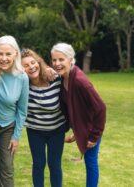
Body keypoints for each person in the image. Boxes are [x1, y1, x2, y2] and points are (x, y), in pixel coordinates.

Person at [51, 43, 106, 187]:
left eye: (61, 59)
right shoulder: (65, 77)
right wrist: (76, 132)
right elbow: (76, 107)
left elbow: (101, 108)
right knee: (90, 161)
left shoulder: (81, 82)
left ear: (70, 59)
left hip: (92, 128)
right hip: (84, 126)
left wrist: (94, 136)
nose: (57, 63)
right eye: (54, 60)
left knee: (91, 162)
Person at [0, 36, 29, 187]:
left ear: (16, 54)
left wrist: (16, 136)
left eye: (8, 54)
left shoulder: (22, 77)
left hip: (8, 128)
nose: (4, 58)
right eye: (0, 54)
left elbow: (22, 111)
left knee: (7, 169)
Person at [21, 49, 67, 187]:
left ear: (38, 62)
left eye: (33, 62)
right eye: (26, 65)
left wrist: (51, 69)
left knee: (54, 164)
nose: (31, 67)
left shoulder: (55, 79)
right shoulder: (22, 85)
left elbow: (69, 70)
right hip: (35, 130)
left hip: (57, 129)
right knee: (38, 164)